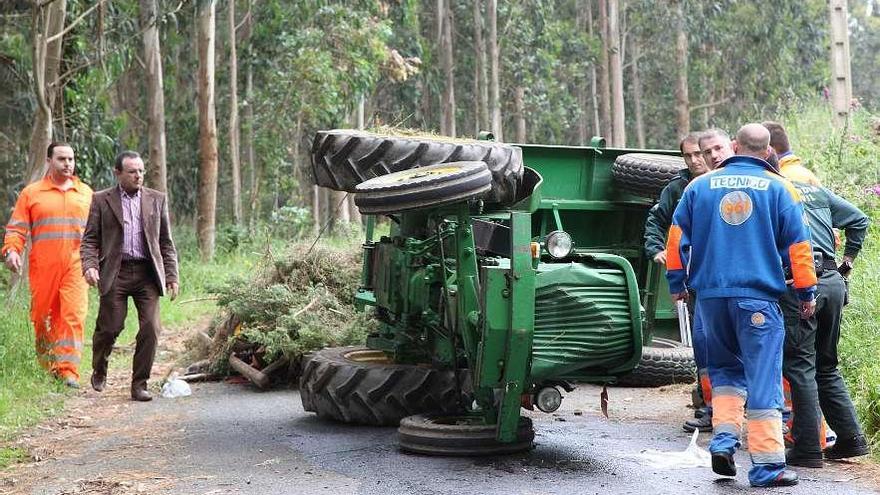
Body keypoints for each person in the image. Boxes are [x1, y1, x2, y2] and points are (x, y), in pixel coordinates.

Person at [666, 123, 817, 487]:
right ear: (767, 152)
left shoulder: (698, 186)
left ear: (735, 146)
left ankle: (723, 441)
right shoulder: (781, 188)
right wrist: (806, 292)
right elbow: (799, 247)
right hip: (757, 300)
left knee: (724, 373)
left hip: (711, 300)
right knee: (763, 379)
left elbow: (675, 240)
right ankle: (767, 466)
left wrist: (677, 284)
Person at [763, 122, 871, 467]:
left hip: (802, 283)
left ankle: (808, 448)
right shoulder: (813, 188)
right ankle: (852, 439)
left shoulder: (774, 189)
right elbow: (859, 220)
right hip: (833, 282)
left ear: (767, 152)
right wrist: (847, 263)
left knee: (799, 366)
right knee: (826, 365)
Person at [80, 151, 179, 401]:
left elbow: (166, 242)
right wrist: (90, 266)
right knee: (111, 326)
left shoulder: (157, 199)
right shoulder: (101, 200)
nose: (139, 176)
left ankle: (139, 384)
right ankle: (99, 367)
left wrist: (171, 274)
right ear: (118, 173)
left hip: (147, 273)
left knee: (151, 328)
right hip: (116, 271)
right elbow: (90, 239)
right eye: (133, 171)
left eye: (141, 171)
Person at [2, 143, 93, 388]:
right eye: (62, 159)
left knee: (73, 315)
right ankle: (47, 366)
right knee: (42, 317)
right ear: (49, 161)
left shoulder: (85, 193)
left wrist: (97, 263)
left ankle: (68, 371)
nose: (68, 164)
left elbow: (98, 234)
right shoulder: (32, 193)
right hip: (43, 267)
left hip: (76, 265)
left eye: (71, 159)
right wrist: (12, 251)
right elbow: (16, 228)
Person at [643, 133, 714, 433]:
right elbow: (658, 223)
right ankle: (708, 405)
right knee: (705, 344)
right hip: (696, 278)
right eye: (688, 156)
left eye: (700, 153)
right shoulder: (677, 188)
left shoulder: (726, 180)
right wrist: (656, 249)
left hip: (731, 275)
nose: (695, 160)